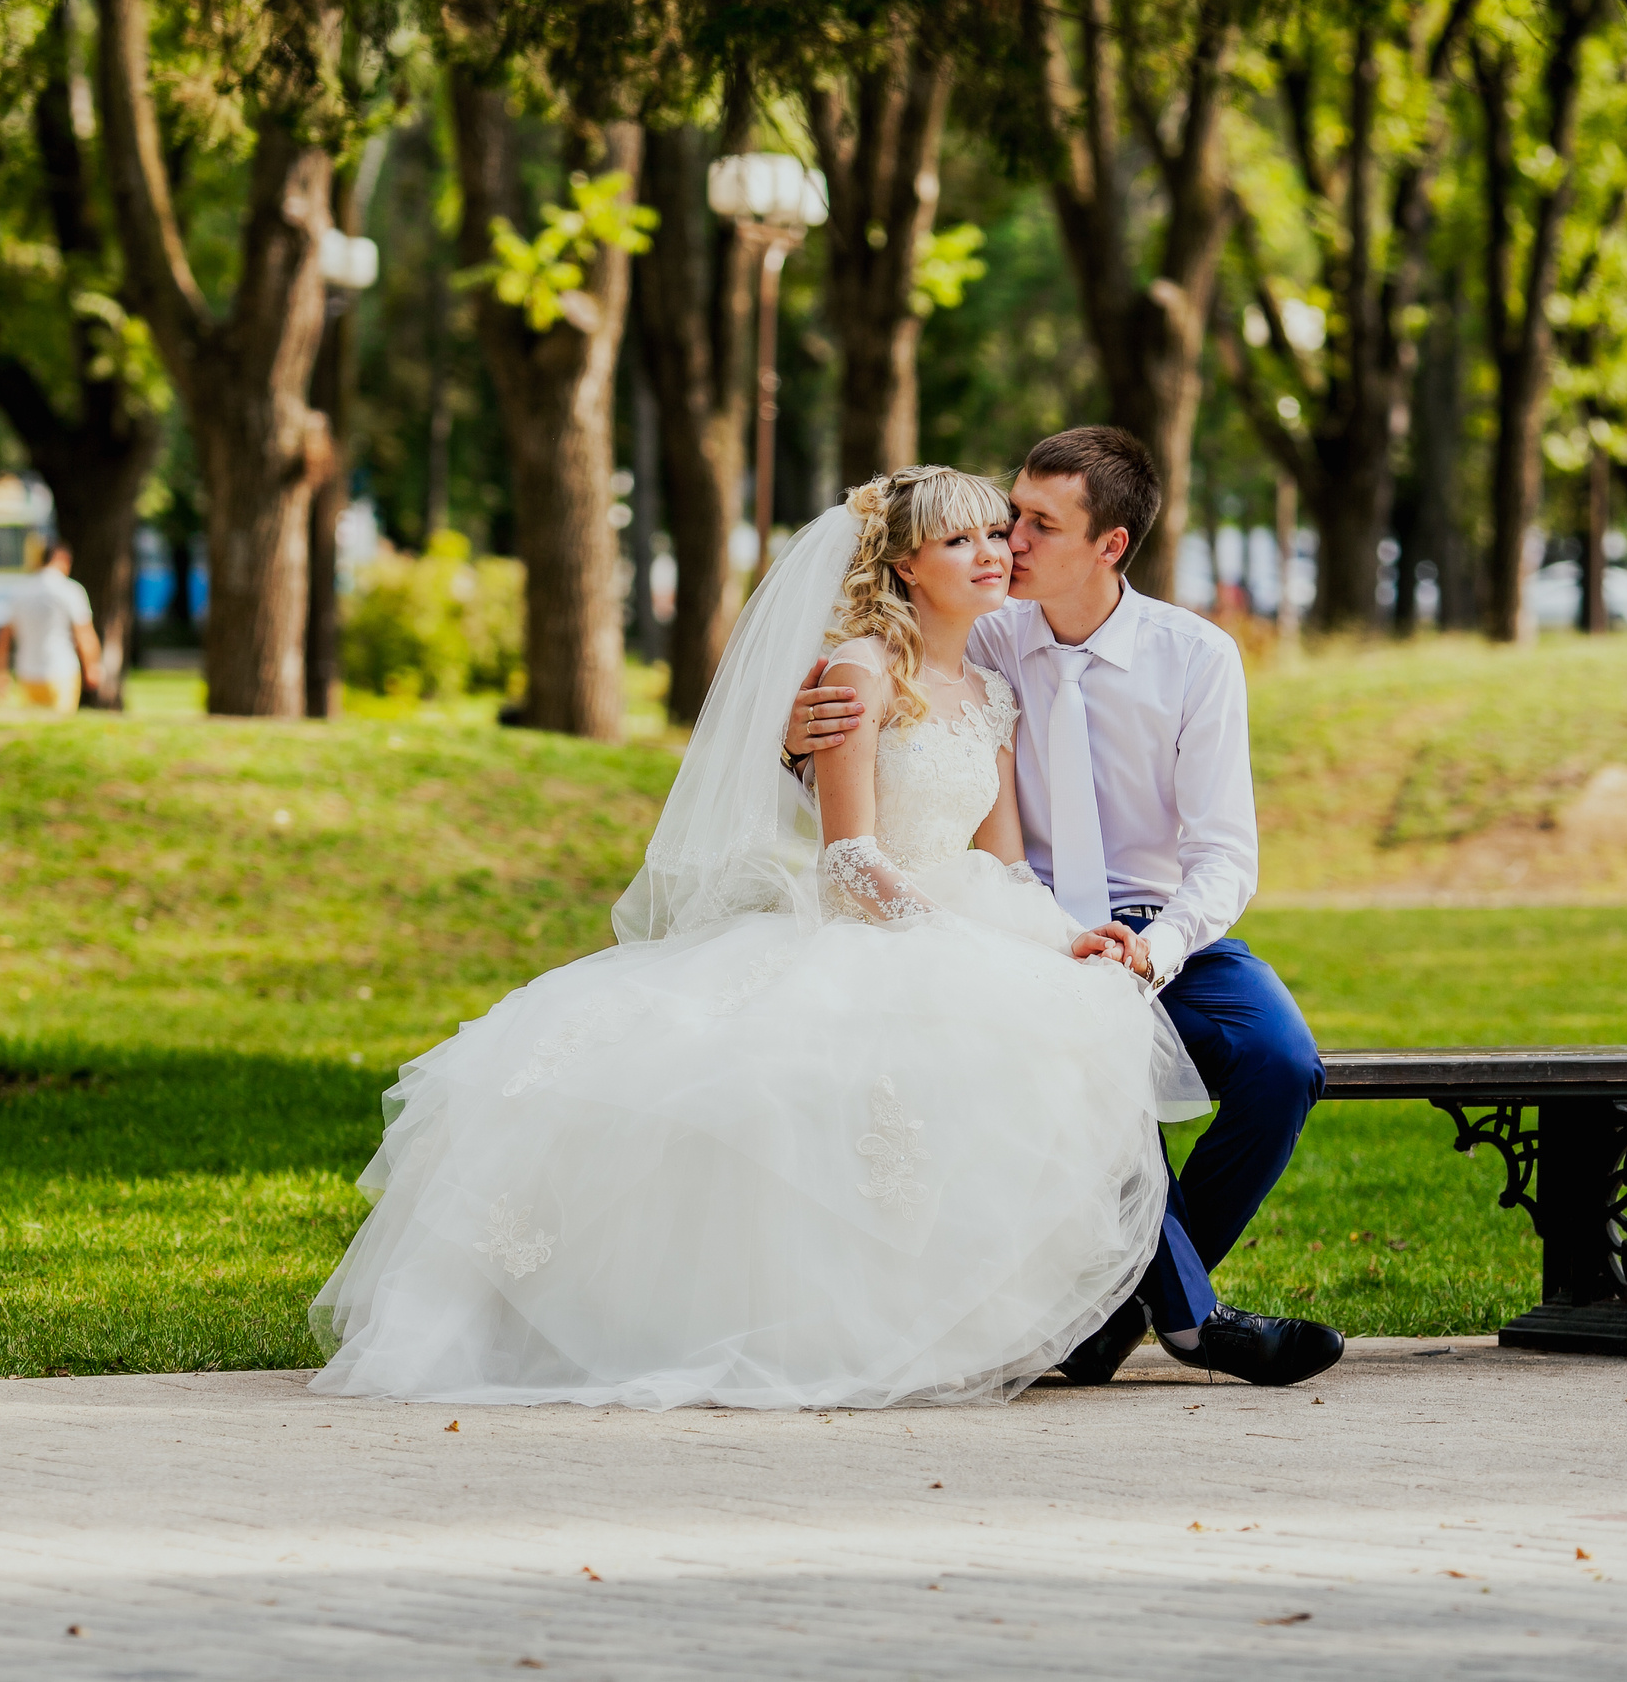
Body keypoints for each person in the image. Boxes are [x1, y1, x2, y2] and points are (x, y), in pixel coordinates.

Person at [309, 468, 1212, 1412]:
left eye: (997, 535)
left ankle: (1057, 1316)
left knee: (1076, 1015)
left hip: (956, 912)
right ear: (905, 562)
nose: (993, 555)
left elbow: (1007, 861)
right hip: (870, 920)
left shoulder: (989, 690)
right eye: (960, 541)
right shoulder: (860, 672)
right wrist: (956, 941)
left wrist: (1061, 938)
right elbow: (849, 860)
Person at [783, 428, 1341, 1390]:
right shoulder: (982, 629)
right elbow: (870, 751)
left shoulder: (1194, 657)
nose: (1009, 542)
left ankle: (1120, 1308)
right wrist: (796, 741)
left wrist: (1154, 948)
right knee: (1067, 1052)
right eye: (1006, 518)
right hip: (1015, 920)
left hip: (1158, 926)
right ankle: (1194, 1319)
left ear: (1110, 545)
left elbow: (1222, 856)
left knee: (1282, 1063)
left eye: (1037, 525)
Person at [0, 541, 101, 711]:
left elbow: (3, 639)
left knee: (34, 729)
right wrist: (92, 666)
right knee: (61, 729)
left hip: (26, 672)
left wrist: (0, 674)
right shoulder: (70, 590)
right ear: (62, 559)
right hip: (62, 670)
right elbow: (84, 634)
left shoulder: (20, 591)